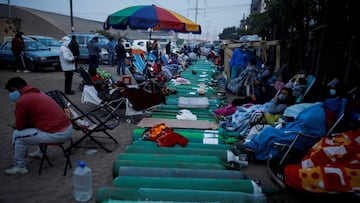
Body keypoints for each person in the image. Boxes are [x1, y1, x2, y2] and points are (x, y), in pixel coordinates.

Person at [4, 77, 73, 175]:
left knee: (17, 135)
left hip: (58, 134)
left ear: (19, 88)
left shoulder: (23, 100)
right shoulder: (38, 93)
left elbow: (19, 126)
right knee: (38, 126)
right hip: (67, 128)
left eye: (11, 91)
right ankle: (40, 152)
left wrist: (21, 126)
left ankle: (20, 167)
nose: (10, 95)